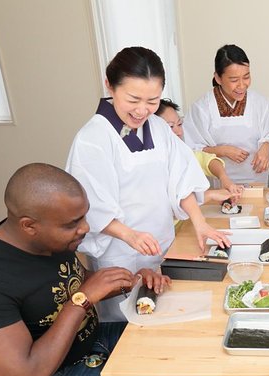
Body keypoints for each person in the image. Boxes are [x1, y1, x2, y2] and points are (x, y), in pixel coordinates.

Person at [0, 163, 196, 376]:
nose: (85, 228)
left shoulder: (46, 240)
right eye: (72, 224)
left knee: (180, 354)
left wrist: (132, 283)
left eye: (83, 217)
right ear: (28, 225)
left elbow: (66, 285)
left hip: (87, 342)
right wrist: (81, 301)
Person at [66, 47, 230, 322]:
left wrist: (200, 223)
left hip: (163, 244)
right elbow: (90, 207)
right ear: (110, 85)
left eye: (152, 100)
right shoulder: (92, 139)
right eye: (134, 99)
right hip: (119, 254)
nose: (143, 110)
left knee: (167, 314)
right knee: (128, 323)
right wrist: (130, 236)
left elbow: (181, 178)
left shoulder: (157, 128)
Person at [183, 44, 269, 185]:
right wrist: (222, 150)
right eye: (234, 80)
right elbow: (191, 150)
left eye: (246, 77)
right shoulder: (201, 109)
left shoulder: (261, 104)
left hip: (256, 181)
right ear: (218, 78)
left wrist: (266, 146)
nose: (242, 85)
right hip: (219, 184)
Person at [155, 98, 243, 202]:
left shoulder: (180, 152)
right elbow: (172, 203)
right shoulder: (150, 163)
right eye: (170, 127)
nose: (179, 132)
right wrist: (210, 195)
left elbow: (206, 160)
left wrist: (223, 178)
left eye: (179, 124)